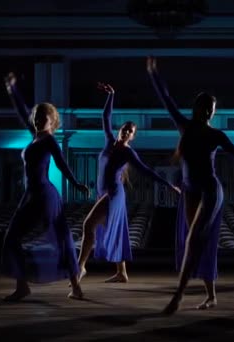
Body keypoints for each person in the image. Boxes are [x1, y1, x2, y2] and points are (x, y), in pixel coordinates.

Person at [147, 57, 234, 314]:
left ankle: (177, 296)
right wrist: (153, 73)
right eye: (207, 107)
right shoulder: (184, 126)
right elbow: (166, 99)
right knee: (200, 242)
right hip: (190, 191)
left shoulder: (216, 135)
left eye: (212, 108)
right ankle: (211, 295)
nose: (209, 111)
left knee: (193, 240)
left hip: (211, 191)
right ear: (199, 108)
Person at [76, 82, 180, 284]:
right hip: (103, 193)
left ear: (132, 136)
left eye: (130, 131)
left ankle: (80, 267)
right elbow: (105, 117)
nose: (126, 132)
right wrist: (111, 95)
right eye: (125, 128)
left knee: (88, 225)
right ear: (120, 129)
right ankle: (122, 273)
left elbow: (146, 171)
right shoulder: (108, 141)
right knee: (113, 231)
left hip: (113, 194)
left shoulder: (128, 152)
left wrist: (169, 186)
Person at [2, 72, 88, 301]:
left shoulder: (49, 139)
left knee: (62, 238)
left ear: (52, 121)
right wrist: (13, 90)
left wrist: (76, 183)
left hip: (45, 195)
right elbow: (23, 112)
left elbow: (61, 163)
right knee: (11, 238)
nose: (39, 119)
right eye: (37, 116)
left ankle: (76, 286)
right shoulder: (35, 136)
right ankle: (22, 286)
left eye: (43, 117)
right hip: (30, 195)